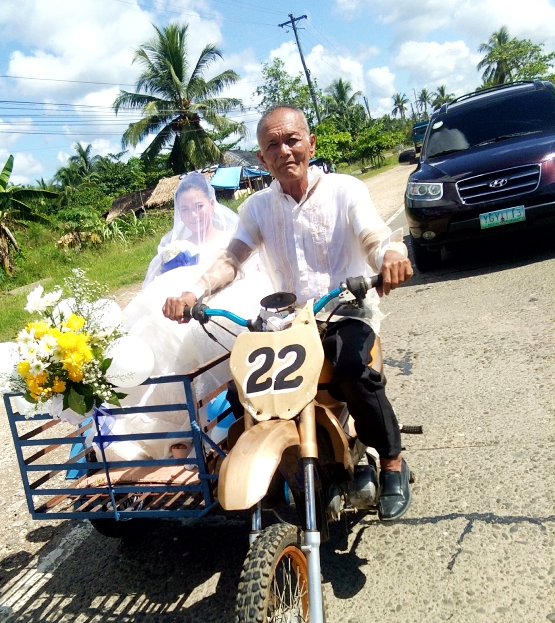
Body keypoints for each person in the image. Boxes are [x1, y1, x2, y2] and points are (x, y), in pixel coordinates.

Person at [163, 106, 414, 522]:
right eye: (272, 145)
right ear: (261, 159)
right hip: (291, 321)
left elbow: (373, 235)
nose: (285, 151)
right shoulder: (257, 208)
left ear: (311, 143)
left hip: (345, 310)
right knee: (240, 388)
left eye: (292, 140)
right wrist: (193, 291)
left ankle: (391, 463)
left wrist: (389, 255)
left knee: (353, 369)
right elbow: (232, 258)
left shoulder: (345, 189)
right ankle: (277, 472)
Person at [101, 172, 272, 463]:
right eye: (185, 210)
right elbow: (153, 286)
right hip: (182, 310)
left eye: (199, 207)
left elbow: (248, 274)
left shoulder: (232, 241)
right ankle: (155, 428)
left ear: (212, 204)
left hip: (215, 310)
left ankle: (186, 432)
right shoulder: (172, 245)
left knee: (189, 347)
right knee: (152, 332)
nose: (193, 215)